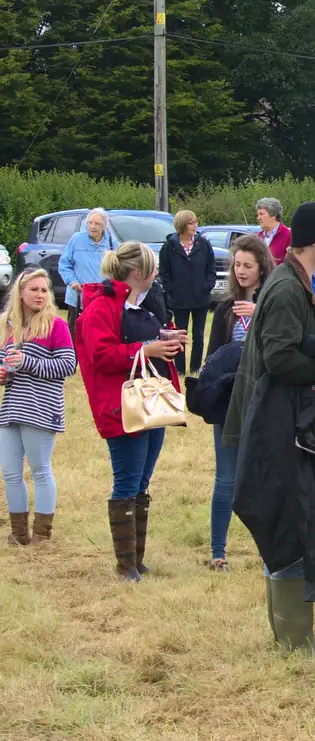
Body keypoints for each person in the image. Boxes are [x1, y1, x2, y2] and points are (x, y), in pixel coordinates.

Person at [228, 202, 315, 653]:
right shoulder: (287, 289)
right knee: (290, 518)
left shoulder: (296, 280)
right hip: (279, 422)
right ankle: (296, 641)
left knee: (290, 515)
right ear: (312, 238)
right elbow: (280, 359)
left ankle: (289, 637)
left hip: (287, 418)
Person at [75, 242, 184, 581]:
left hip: (149, 405)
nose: (156, 275)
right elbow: (99, 357)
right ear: (138, 273)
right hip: (121, 408)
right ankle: (125, 566)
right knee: (126, 481)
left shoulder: (137, 304)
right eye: (152, 270)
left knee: (142, 481)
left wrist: (163, 337)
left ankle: (136, 560)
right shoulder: (101, 307)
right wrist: (146, 348)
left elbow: (134, 339)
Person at [197, 235, 274, 571]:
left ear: (261, 269)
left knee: (262, 477)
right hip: (229, 402)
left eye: (248, 266)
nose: (241, 272)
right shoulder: (226, 308)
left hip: (266, 400)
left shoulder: (272, 305)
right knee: (226, 478)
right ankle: (218, 552)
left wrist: (259, 314)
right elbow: (211, 358)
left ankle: (268, 549)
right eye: (237, 265)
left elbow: (281, 344)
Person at [1, 269, 77, 546]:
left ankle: (42, 536)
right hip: (11, 408)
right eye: (34, 289)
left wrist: (27, 362)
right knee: (9, 471)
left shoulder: (56, 326)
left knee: (40, 470)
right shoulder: (6, 325)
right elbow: (4, 363)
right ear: (20, 293)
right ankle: (18, 533)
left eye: (44, 290)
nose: (40, 295)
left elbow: (68, 366)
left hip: (41, 408)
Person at [158, 210, 216, 374]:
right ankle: (180, 369)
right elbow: (164, 272)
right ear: (182, 225)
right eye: (191, 223)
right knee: (179, 334)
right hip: (179, 299)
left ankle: (196, 367)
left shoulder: (203, 244)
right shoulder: (169, 247)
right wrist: (172, 289)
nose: (195, 226)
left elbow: (211, 267)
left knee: (198, 335)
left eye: (195, 222)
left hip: (200, 298)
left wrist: (208, 285)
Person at [59, 207, 113, 332]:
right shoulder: (76, 239)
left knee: (98, 333)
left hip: (101, 299)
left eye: (97, 224)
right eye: (90, 223)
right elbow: (64, 264)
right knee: (75, 333)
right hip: (77, 297)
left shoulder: (111, 243)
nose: (92, 226)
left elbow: (117, 268)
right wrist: (72, 281)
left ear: (104, 226)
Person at [256, 197, 290, 266]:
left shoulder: (289, 236)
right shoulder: (258, 238)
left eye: (261, 214)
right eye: (258, 214)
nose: (258, 218)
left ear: (273, 215)